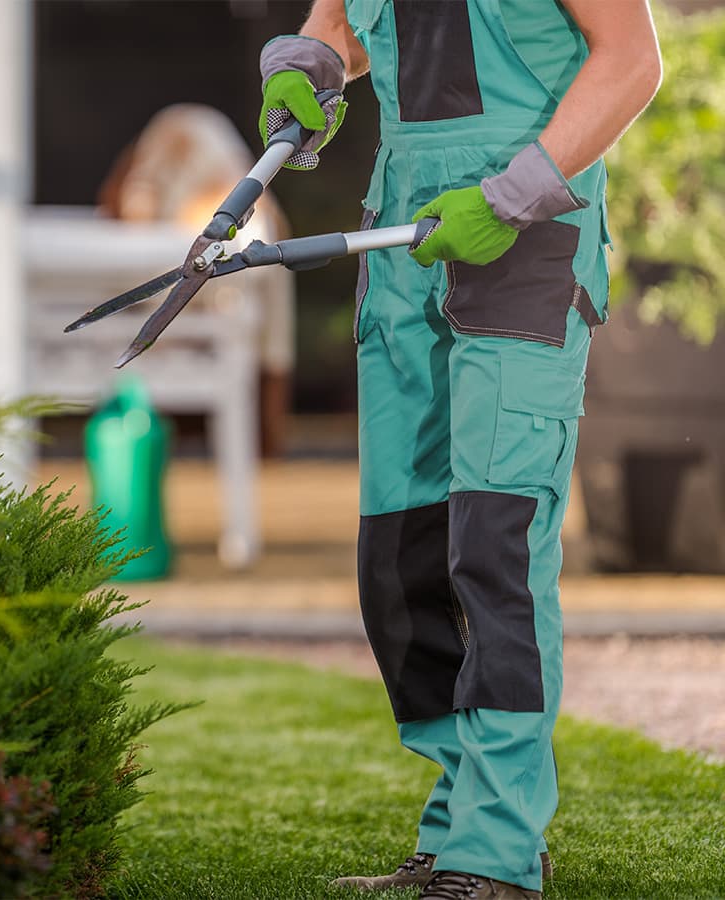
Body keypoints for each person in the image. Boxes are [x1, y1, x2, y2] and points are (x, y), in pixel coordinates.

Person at [257, 2, 661, 898]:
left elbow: (632, 61)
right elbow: (343, 21)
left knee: (495, 546)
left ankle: (497, 848)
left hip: (526, 229)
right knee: (399, 557)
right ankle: (458, 826)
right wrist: (309, 66)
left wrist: (509, 196)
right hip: (405, 227)